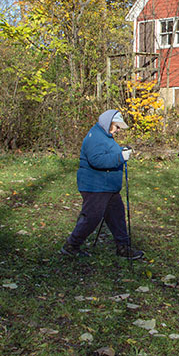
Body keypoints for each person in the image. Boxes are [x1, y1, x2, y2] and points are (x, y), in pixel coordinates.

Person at [61, 110, 144, 260]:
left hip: (108, 187)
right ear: (108, 123)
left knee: (117, 216)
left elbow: (107, 152)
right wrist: (120, 157)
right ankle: (71, 246)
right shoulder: (95, 137)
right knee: (91, 218)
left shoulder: (105, 136)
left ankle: (123, 248)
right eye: (117, 127)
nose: (118, 130)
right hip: (95, 186)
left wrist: (121, 151)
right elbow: (97, 160)